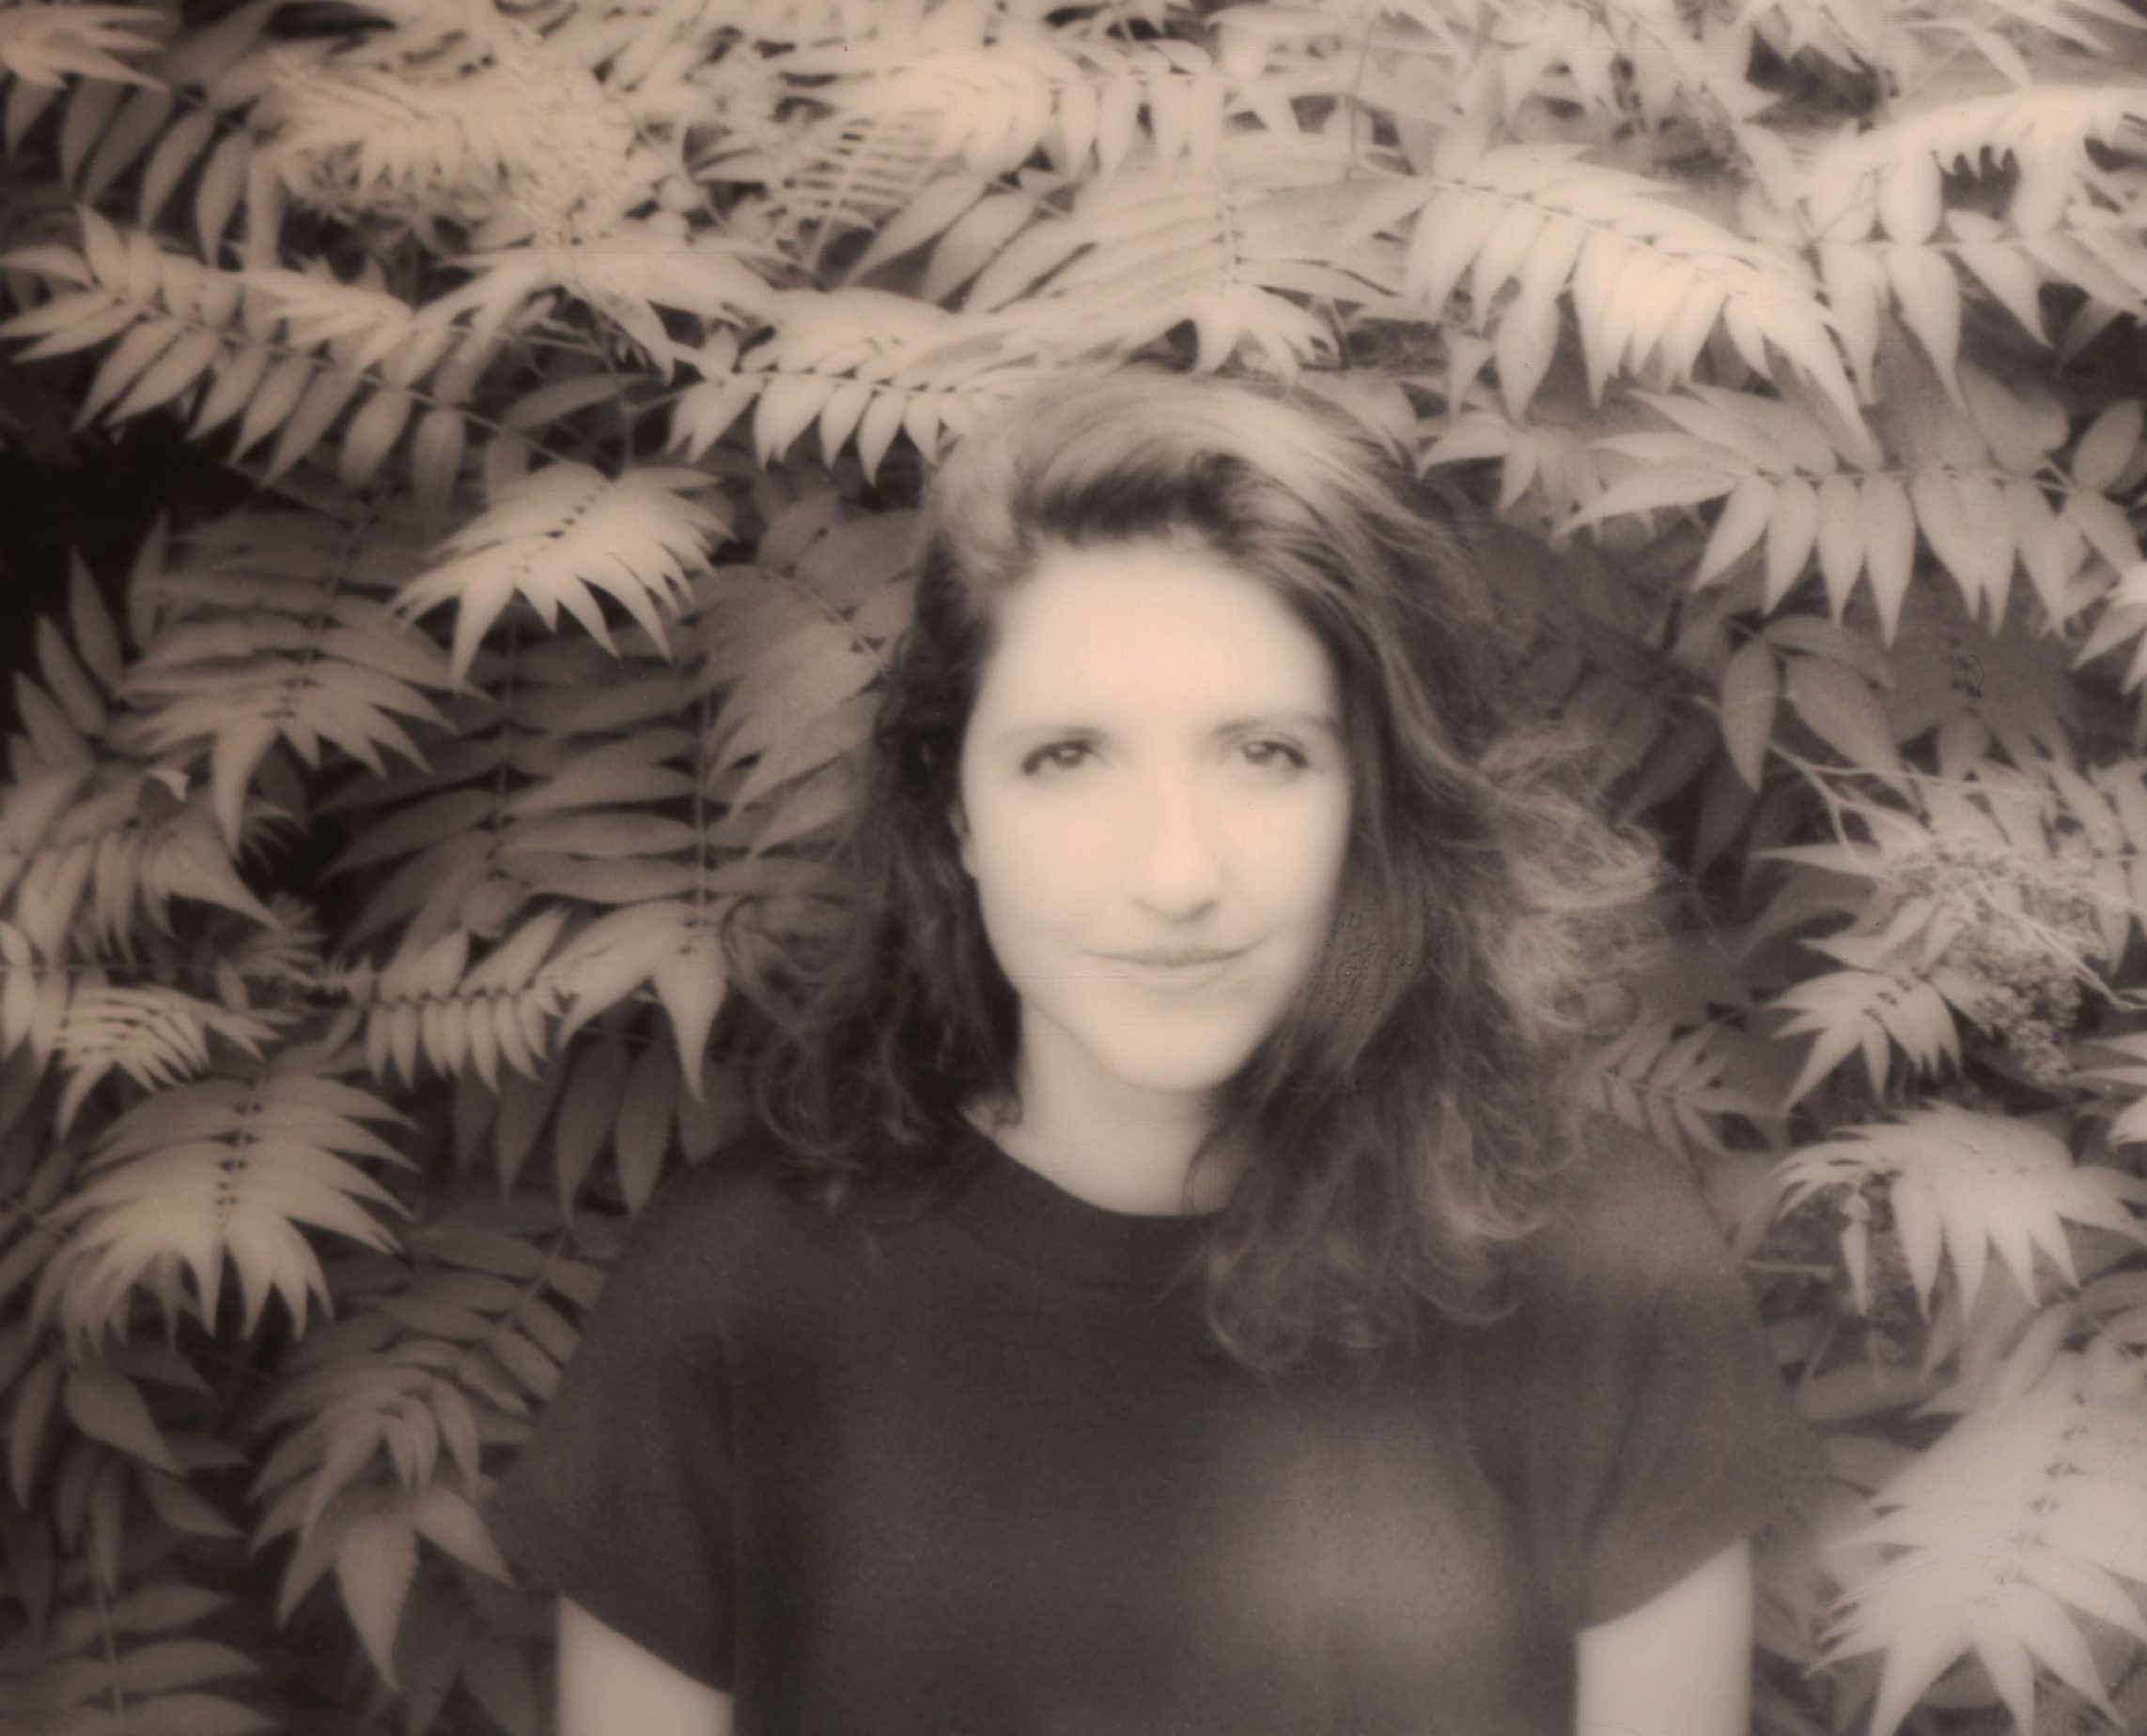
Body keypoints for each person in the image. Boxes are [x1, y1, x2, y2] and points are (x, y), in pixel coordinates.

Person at [487, 367, 1820, 1736]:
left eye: (1266, 754)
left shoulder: (1602, 1268)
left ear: (1374, 798)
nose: (1175, 876)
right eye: (1068, 757)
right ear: (954, 810)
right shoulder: (732, 1290)